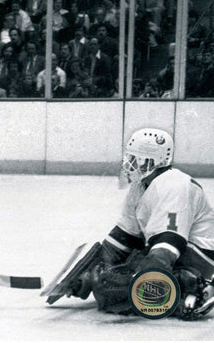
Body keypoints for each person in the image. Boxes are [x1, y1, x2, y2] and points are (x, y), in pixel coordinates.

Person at [48, 128, 214, 320]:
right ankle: (176, 289)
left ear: (153, 161)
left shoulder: (175, 185)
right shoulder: (139, 187)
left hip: (198, 257)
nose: (129, 164)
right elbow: (121, 240)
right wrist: (85, 274)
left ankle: (190, 288)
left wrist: (137, 282)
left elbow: (167, 247)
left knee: (115, 288)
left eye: (135, 158)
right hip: (174, 251)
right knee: (109, 280)